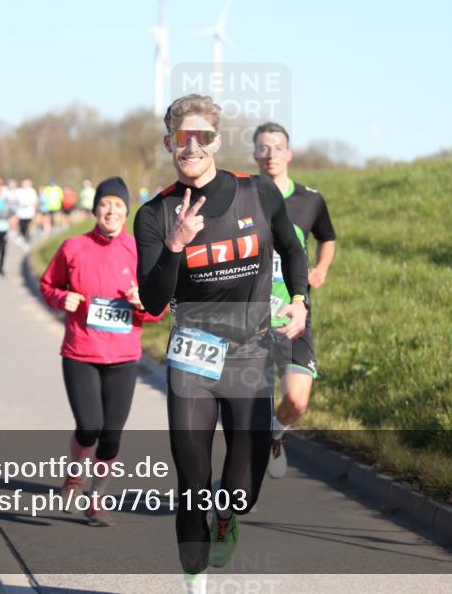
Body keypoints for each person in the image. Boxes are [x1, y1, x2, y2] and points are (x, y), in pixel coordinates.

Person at [135, 95, 308, 592]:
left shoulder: (258, 194)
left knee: (240, 491)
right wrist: (174, 247)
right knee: (192, 484)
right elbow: (150, 300)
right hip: (192, 355)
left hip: (250, 354)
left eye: (201, 137)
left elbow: (294, 251)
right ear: (169, 142)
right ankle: (195, 583)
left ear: (216, 140)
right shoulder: (155, 215)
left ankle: (228, 518)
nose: (191, 146)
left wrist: (299, 299)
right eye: (180, 138)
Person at [39, 177, 164, 526]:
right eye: (105, 204)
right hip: (81, 352)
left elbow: (158, 309)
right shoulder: (72, 248)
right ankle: (76, 475)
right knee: (90, 426)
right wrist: (63, 299)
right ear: (95, 210)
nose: (111, 211)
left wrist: (143, 304)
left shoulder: (139, 252)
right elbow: (48, 285)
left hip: (123, 357)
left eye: (119, 206)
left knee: (111, 435)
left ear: (127, 212)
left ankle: (96, 496)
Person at [252, 122, 337, 479]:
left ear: (289, 154)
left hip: (293, 315)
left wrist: (321, 268)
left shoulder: (309, 200)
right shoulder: (242, 197)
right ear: (255, 154)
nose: (270, 154)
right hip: (250, 320)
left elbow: (327, 237)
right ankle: (245, 481)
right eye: (263, 148)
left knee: (297, 401)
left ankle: (276, 433)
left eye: (277, 147)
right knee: (246, 414)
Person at [13, 178, 39, 247]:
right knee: (22, 226)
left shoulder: (32, 191)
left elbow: (36, 201)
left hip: (29, 212)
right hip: (21, 212)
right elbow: (15, 200)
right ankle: (23, 236)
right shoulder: (19, 191)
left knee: (28, 225)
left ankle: (27, 237)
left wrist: (35, 209)